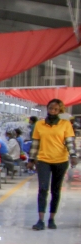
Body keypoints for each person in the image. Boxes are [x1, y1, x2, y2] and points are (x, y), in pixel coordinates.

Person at [30, 98, 76, 230]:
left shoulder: (65, 124)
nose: (53, 111)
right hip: (43, 160)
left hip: (60, 161)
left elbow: (69, 142)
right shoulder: (39, 124)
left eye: (56, 109)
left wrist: (73, 155)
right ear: (47, 108)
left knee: (56, 190)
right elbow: (35, 143)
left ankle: (51, 218)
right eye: (51, 108)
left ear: (60, 111)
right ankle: (40, 220)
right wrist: (31, 160)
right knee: (43, 189)